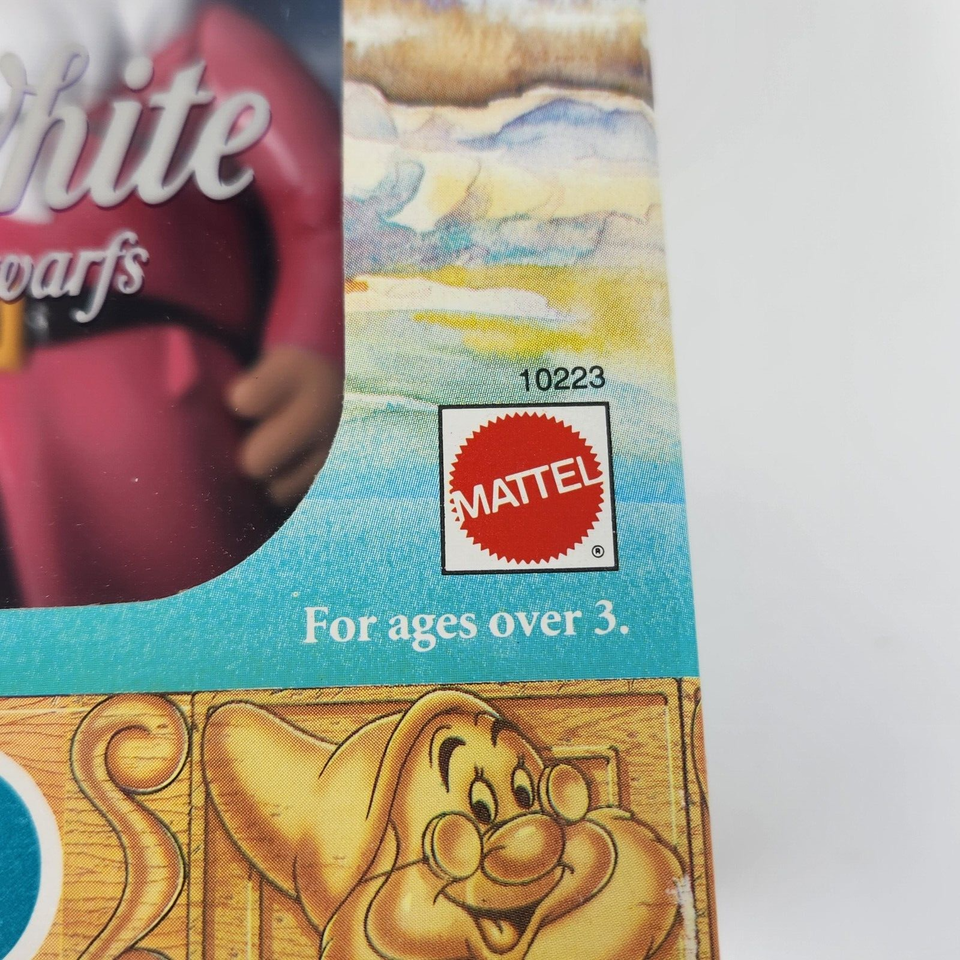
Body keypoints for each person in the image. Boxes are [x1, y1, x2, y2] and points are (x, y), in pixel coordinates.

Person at [0, 0, 343, 608]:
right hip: (18, 396)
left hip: (161, 383)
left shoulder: (190, 47)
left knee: (186, 600)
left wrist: (318, 345)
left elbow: (326, 199)